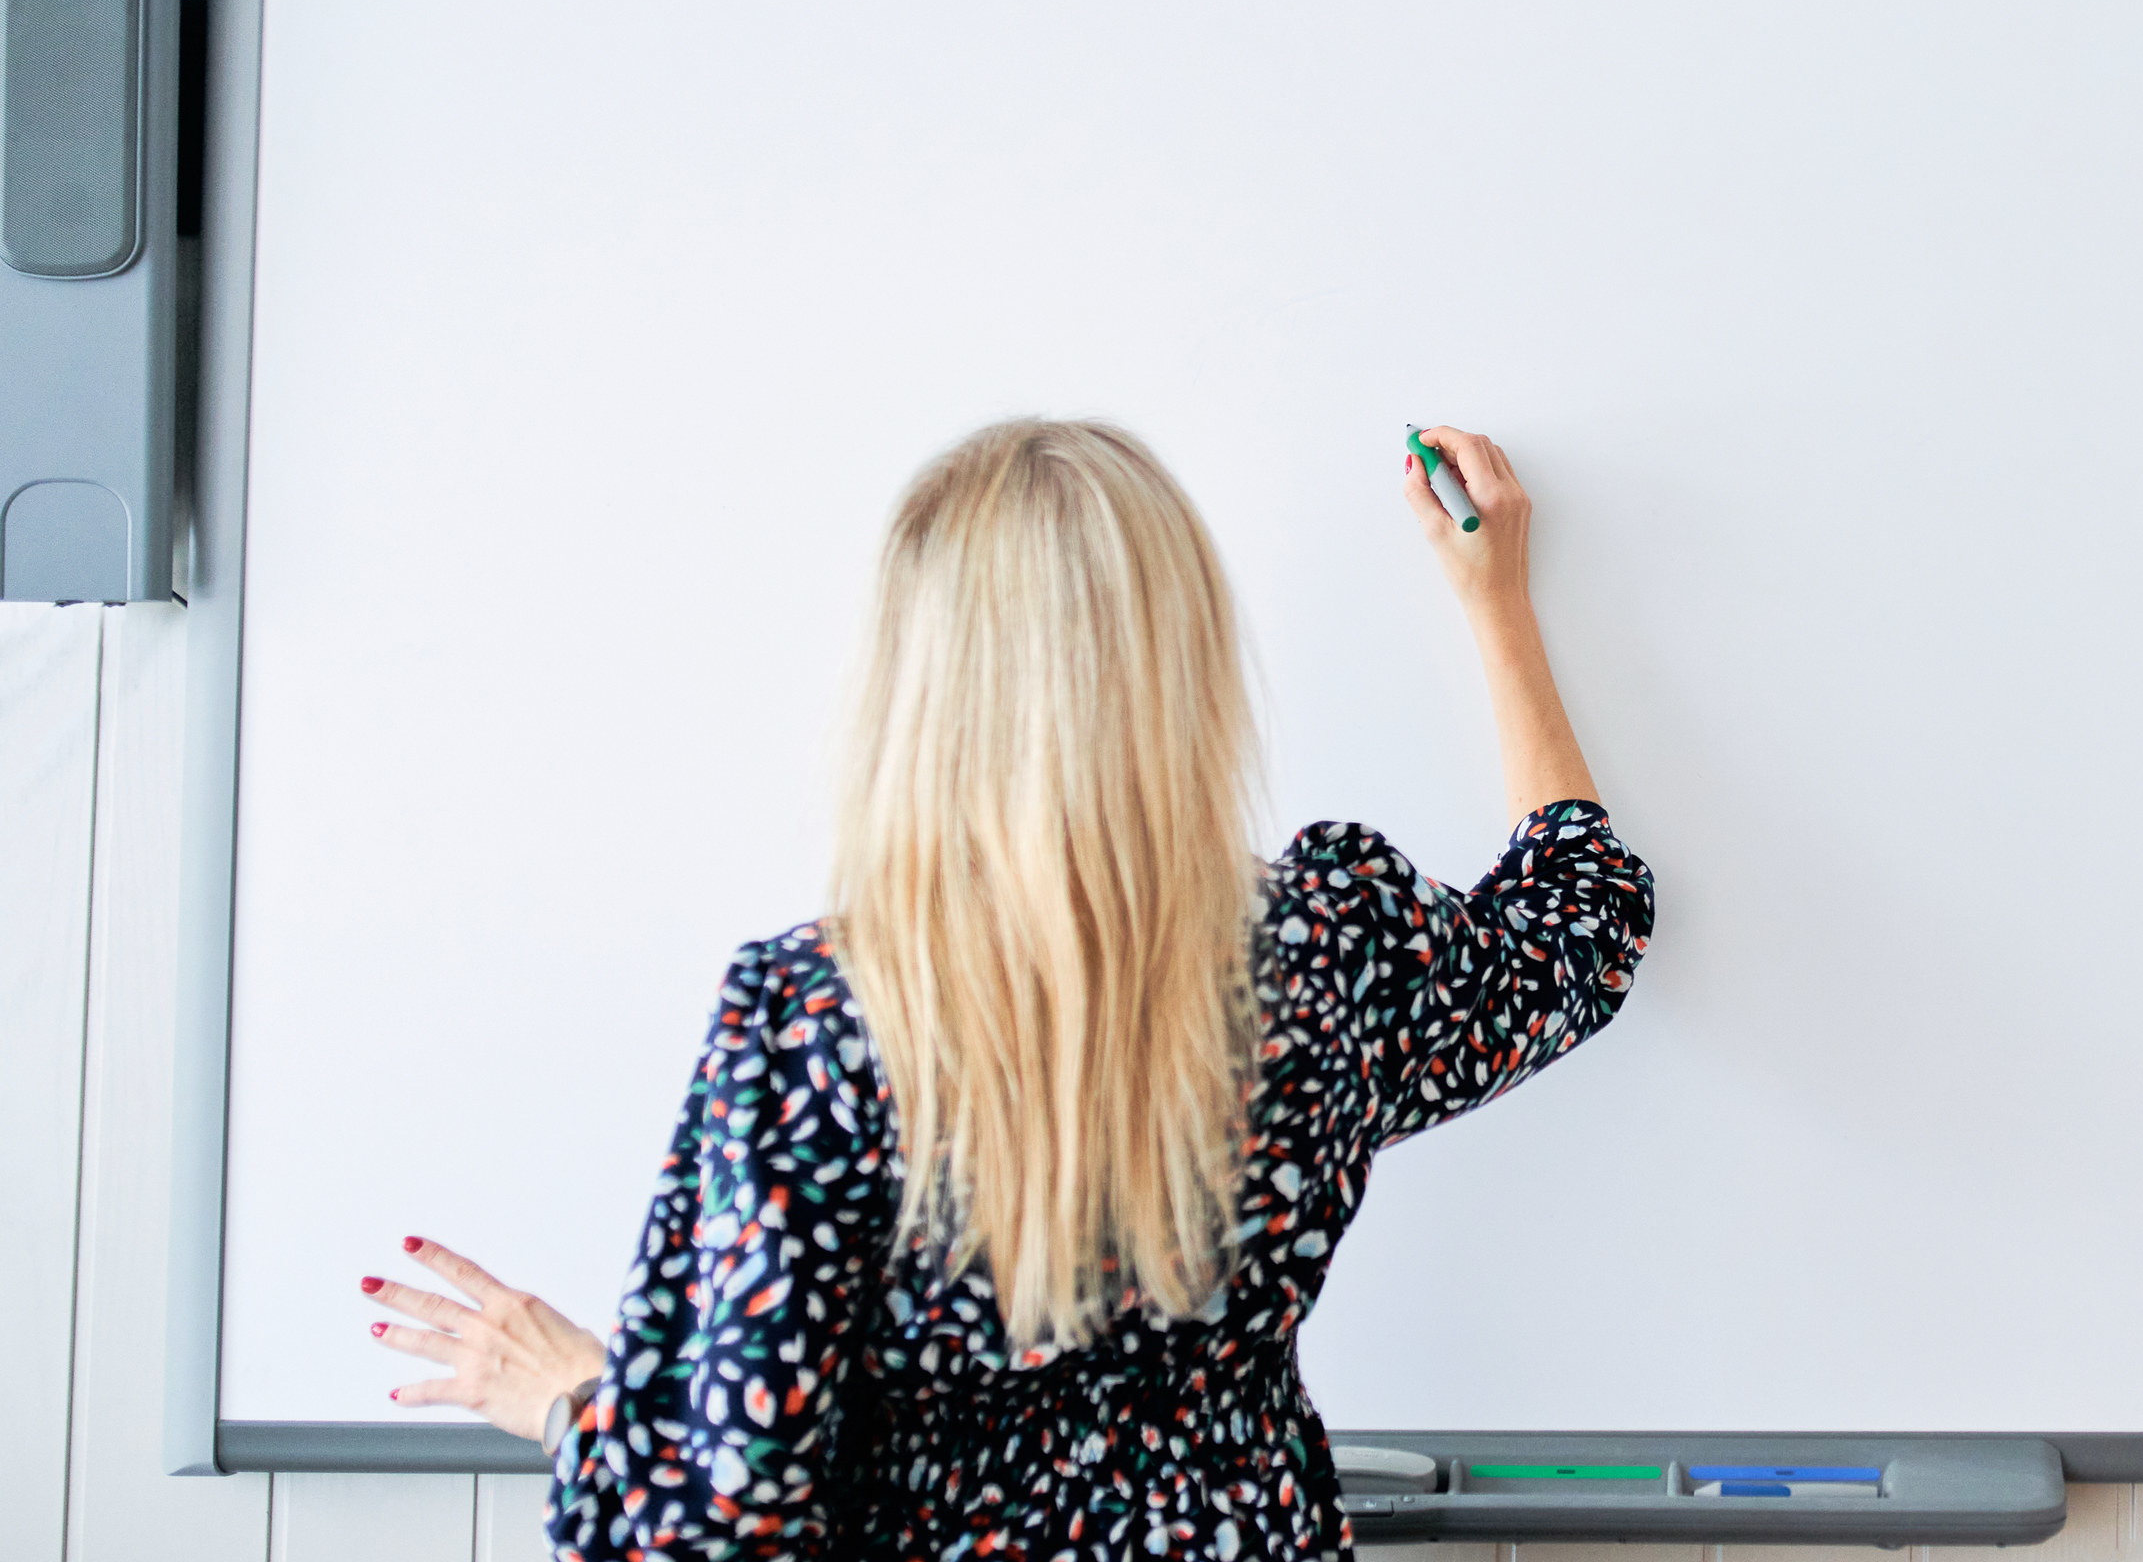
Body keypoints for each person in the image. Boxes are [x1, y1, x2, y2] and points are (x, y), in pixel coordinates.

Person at [355, 420, 1653, 1561]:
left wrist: (582, 1406)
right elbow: (1580, 927)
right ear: (1186, 666)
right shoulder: (1326, 948)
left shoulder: (811, 1022)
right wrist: (1498, 607)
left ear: (917, 689)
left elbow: (723, 1527)